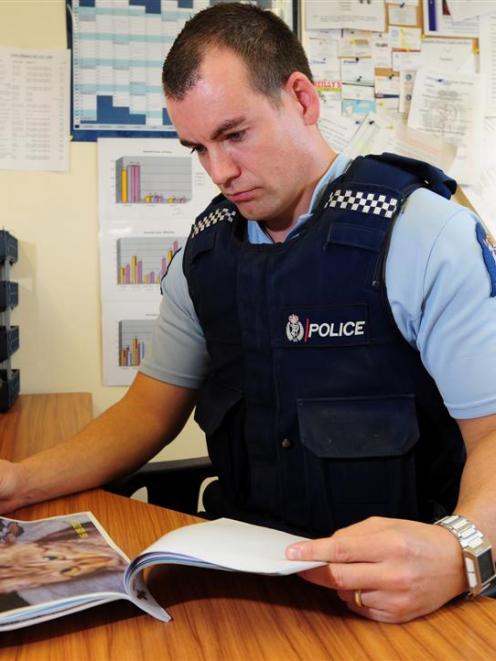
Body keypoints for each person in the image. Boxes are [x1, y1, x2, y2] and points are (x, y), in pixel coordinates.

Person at [0, 3, 496, 624]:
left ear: (303, 100)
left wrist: (461, 549)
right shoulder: (204, 256)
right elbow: (146, 410)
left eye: (235, 134)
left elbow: (493, 434)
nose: (220, 172)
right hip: (251, 585)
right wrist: (19, 481)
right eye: (198, 148)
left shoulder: (426, 235)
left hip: (401, 597)